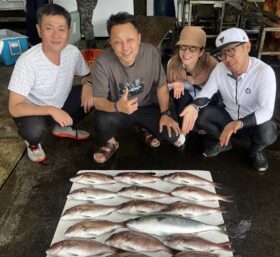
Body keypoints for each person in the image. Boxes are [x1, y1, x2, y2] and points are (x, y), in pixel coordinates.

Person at [91, 12, 184, 164]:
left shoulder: (152, 53)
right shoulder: (101, 62)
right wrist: (116, 106)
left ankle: (142, 128)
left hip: (147, 106)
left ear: (139, 38)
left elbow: (161, 86)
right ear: (110, 42)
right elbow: (98, 101)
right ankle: (111, 142)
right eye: (118, 42)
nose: (125, 47)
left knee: (172, 135)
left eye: (130, 40)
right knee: (102, 118)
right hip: (119, 110)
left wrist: (165, 113)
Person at [180, 27, 277, 172]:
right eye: (222, 54)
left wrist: (240, 123)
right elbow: (206, 93)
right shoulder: (220, 69)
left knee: (268, 130)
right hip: (229, 117)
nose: (227, 59)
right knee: (201, 115)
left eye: (231, 51)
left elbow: (267, 111)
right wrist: (193, 107)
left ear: (247, 47)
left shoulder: (264, 71)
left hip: (252, 123)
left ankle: (256, 150)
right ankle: (223, 142)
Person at [8, 3, 94, 163]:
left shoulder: (73, 52)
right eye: (49, 28)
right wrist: (51, 110)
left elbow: (86, 75)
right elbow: (14, 107)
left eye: (61, 29)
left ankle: (61, 127)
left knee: (95, 93)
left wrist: (88, 85)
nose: (56, 35)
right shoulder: (27, 61)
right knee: (34, 130)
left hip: (60, 105)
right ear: (39, 30)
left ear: (69, 31)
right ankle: (33, 144)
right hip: (33, 112)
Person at [167, 26, 217, 129]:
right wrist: (174, 84)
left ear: (201, 52)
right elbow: (162, 89)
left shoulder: (212, 65)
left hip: (206, 102)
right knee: (179, 94)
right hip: (185, 102)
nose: (186, 53)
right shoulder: (172, 64)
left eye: (193, 48)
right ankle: (183, 129)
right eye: (183, 47)